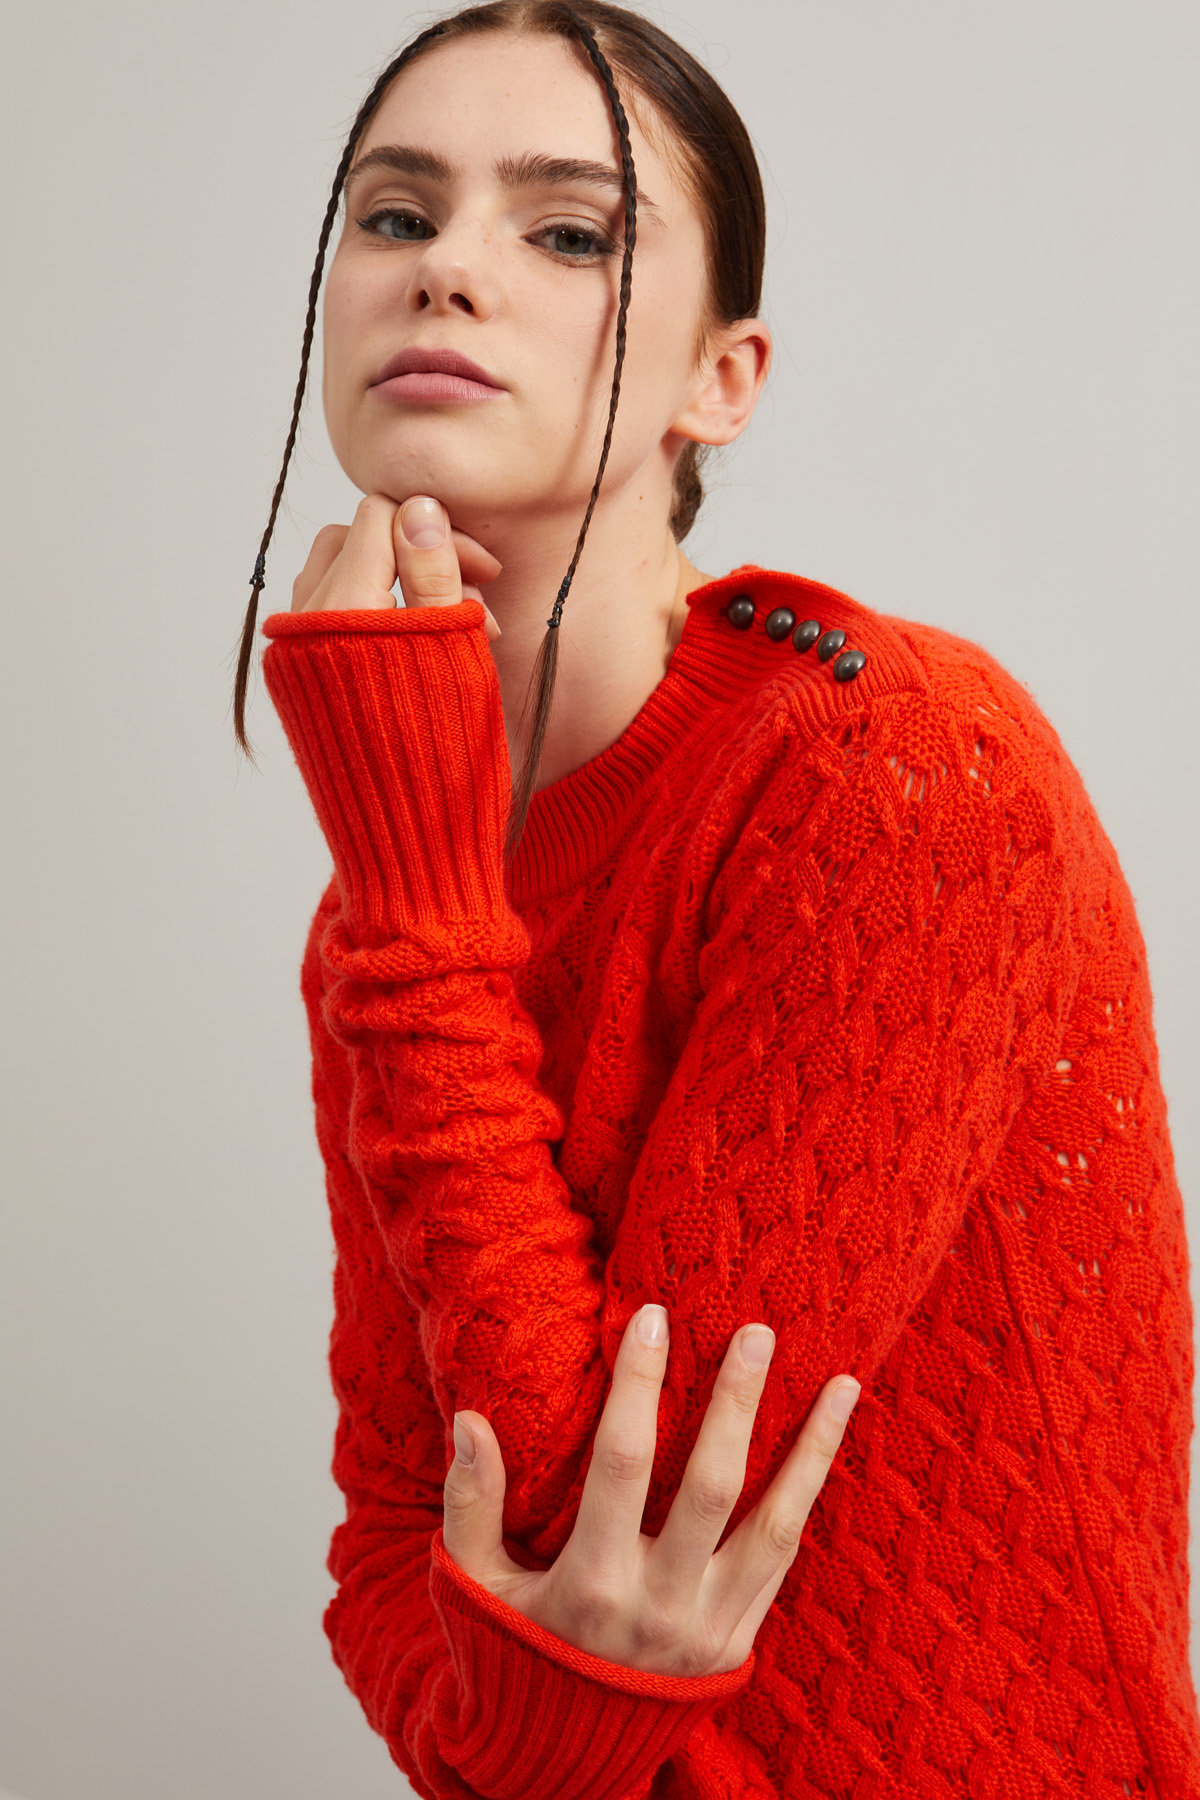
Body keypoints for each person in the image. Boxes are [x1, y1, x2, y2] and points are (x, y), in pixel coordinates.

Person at [234, 3, 1200, 1795]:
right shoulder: (402, 901)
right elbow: (395, 1542)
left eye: (568, 231)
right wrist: (533, 1738)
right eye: (396, 213)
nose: (447, 268)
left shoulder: (897, 766)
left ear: (723, 380)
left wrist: (534, 1712)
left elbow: (585, 1511)